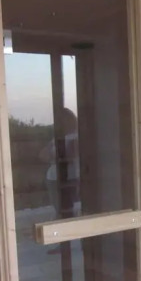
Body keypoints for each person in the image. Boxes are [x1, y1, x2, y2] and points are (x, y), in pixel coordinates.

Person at [39, 107, 80, 253]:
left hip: (69, 177)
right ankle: (64, 243)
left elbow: (68, 156)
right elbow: (42, 155)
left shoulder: (75, 137)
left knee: (67, 210)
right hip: (53, 178)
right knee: (60, 210)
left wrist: (56, 156)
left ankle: (67, 243)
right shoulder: (58, 138)